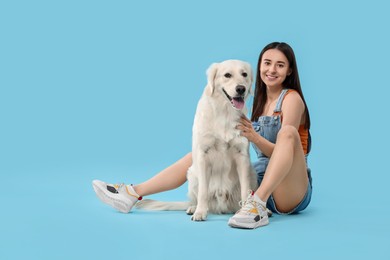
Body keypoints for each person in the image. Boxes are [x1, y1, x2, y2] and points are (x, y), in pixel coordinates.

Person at [92, 42, 312, 229]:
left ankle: (256, 207)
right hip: (260, 181)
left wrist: (254, 138)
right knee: (199, 154)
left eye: (280, 65)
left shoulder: (291, 99)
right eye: (267, 63)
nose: (272, 70)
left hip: (289, 187)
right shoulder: (250, 102)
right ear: (259, 68)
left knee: (288, 133)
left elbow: (289, 153)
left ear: (290, 71)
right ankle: (132, 193)